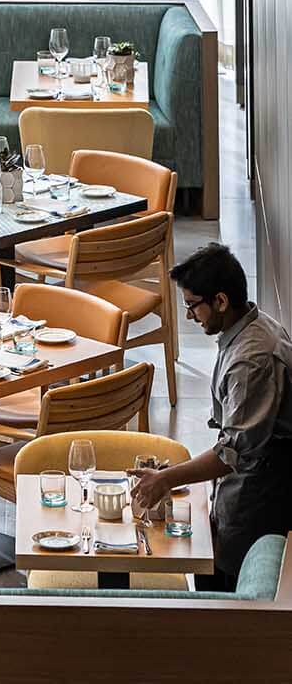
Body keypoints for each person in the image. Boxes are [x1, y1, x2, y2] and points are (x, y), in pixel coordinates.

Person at [130, 242, 292, 590]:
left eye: (192, 306)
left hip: (259, 502)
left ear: (220, 300)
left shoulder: (252, 361)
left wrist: (167, 479)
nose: (189, 316)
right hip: (251, 490)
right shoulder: (255, 326)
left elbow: (235, 452)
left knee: (223, 605)